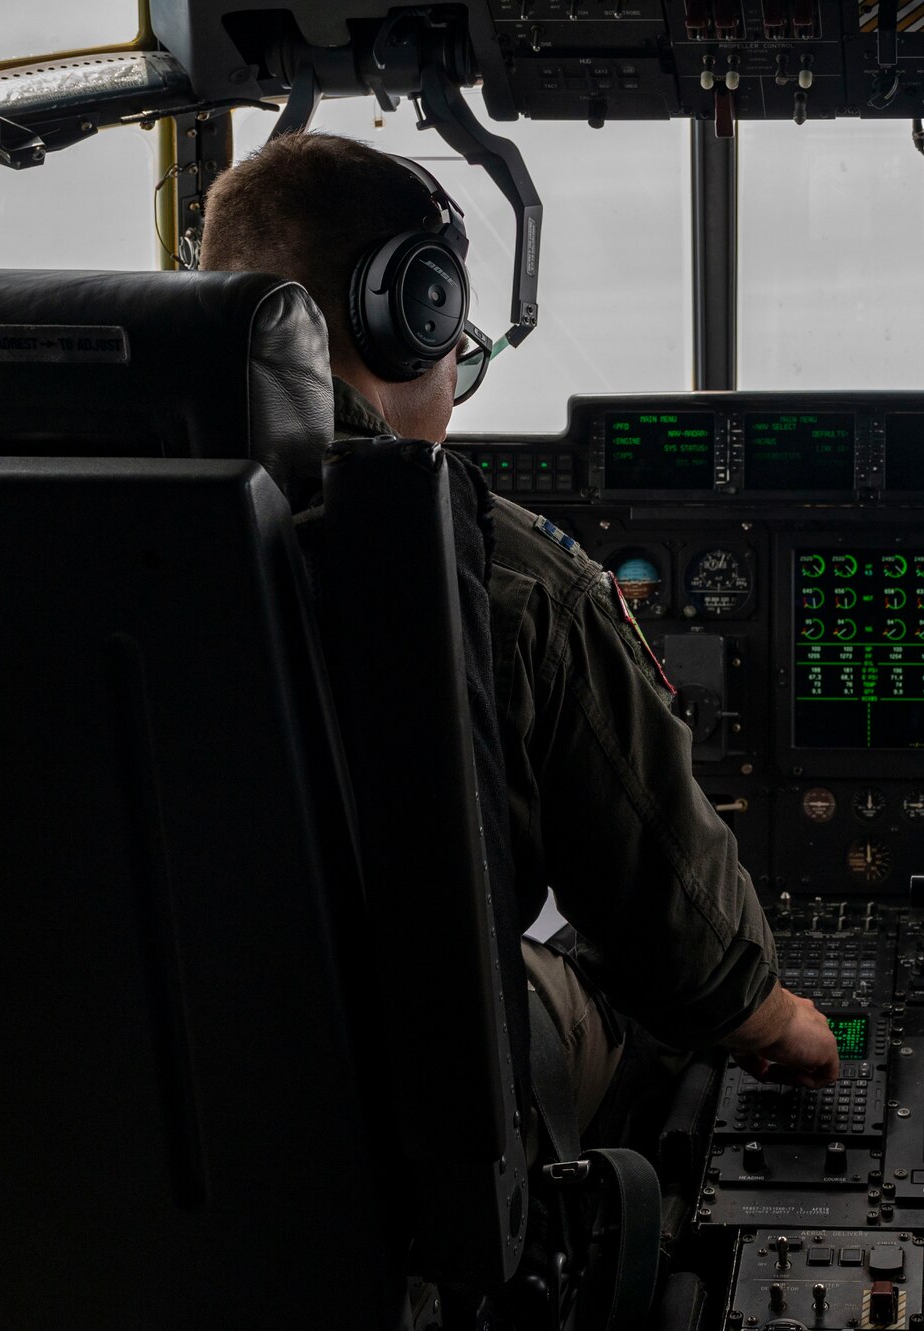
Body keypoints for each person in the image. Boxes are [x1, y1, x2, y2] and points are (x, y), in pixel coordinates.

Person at [199, 131, 839, 1148]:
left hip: (91, 1085)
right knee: (633, 1007)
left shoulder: (33, 526)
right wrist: (770, 1014)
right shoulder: (499, 573)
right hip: (392, 1126)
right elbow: (674, 934)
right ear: (416, 312)